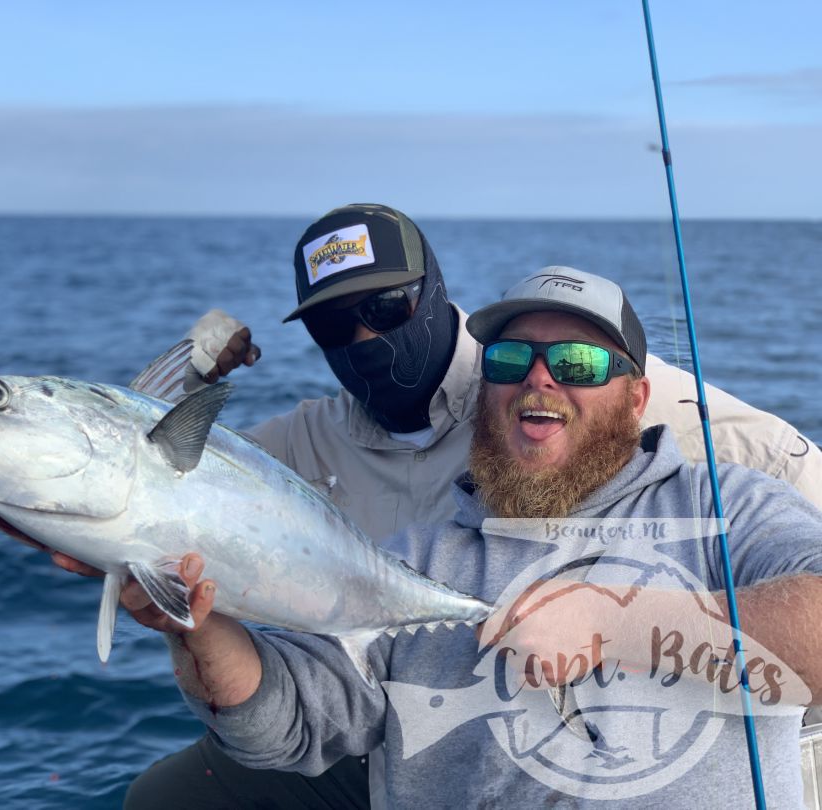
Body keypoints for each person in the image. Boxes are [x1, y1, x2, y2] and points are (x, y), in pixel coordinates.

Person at [58, 204, 822, 807]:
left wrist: (616, 621)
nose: (541, 381)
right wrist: (194, 627)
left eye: (580, 363)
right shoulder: (399, 534)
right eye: (512, 360)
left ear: (637, 394)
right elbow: (138, 483)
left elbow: (789, 492)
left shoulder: (718, 501)